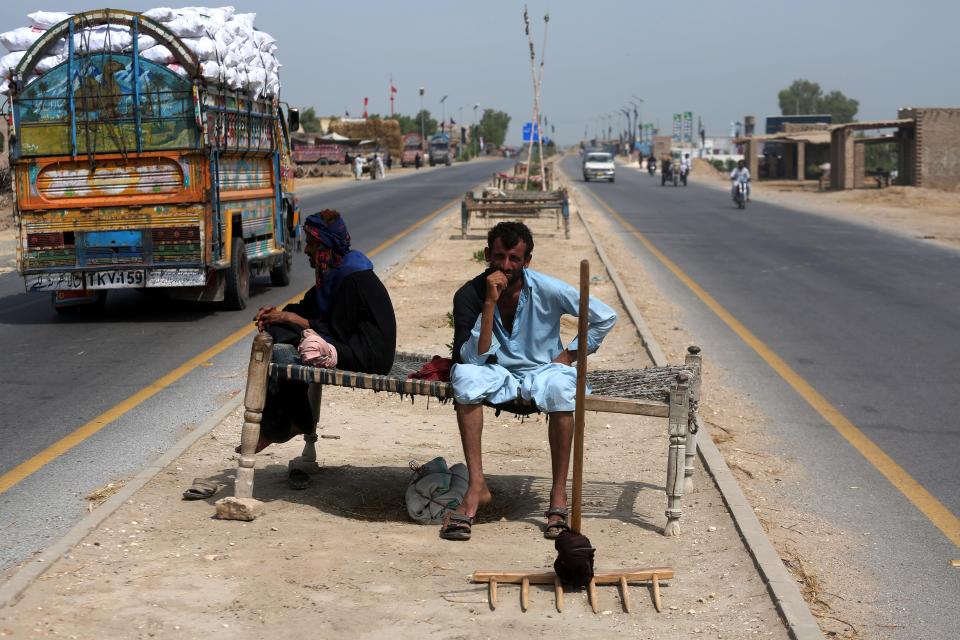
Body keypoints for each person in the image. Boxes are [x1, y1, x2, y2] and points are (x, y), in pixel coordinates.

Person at [440, 222, 617, 541]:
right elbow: (473, 358)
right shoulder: (469, 294)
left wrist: (570, 355)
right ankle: (476, 486)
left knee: (564, 387)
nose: (505, 266)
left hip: (544, 372)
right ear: (487, 256)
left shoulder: (548, 289)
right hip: (498, 372)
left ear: (527, 261)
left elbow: (605, 317)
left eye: (514, 259)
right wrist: (489, 303)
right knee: (465, 377)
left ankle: (558, 495)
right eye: (499, 257)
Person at [251, 210, 397, 453]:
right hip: (349, 342)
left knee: (287, 344)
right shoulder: (333, 271)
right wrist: (276, 315)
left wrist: (290, 317)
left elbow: (336, 330)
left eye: (311, 243)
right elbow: (310, 307)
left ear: (326, 246)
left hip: (368, 354)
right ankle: (292, 420)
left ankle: (294, 420)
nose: (306, 250)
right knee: (278, 330)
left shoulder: (351, 277)